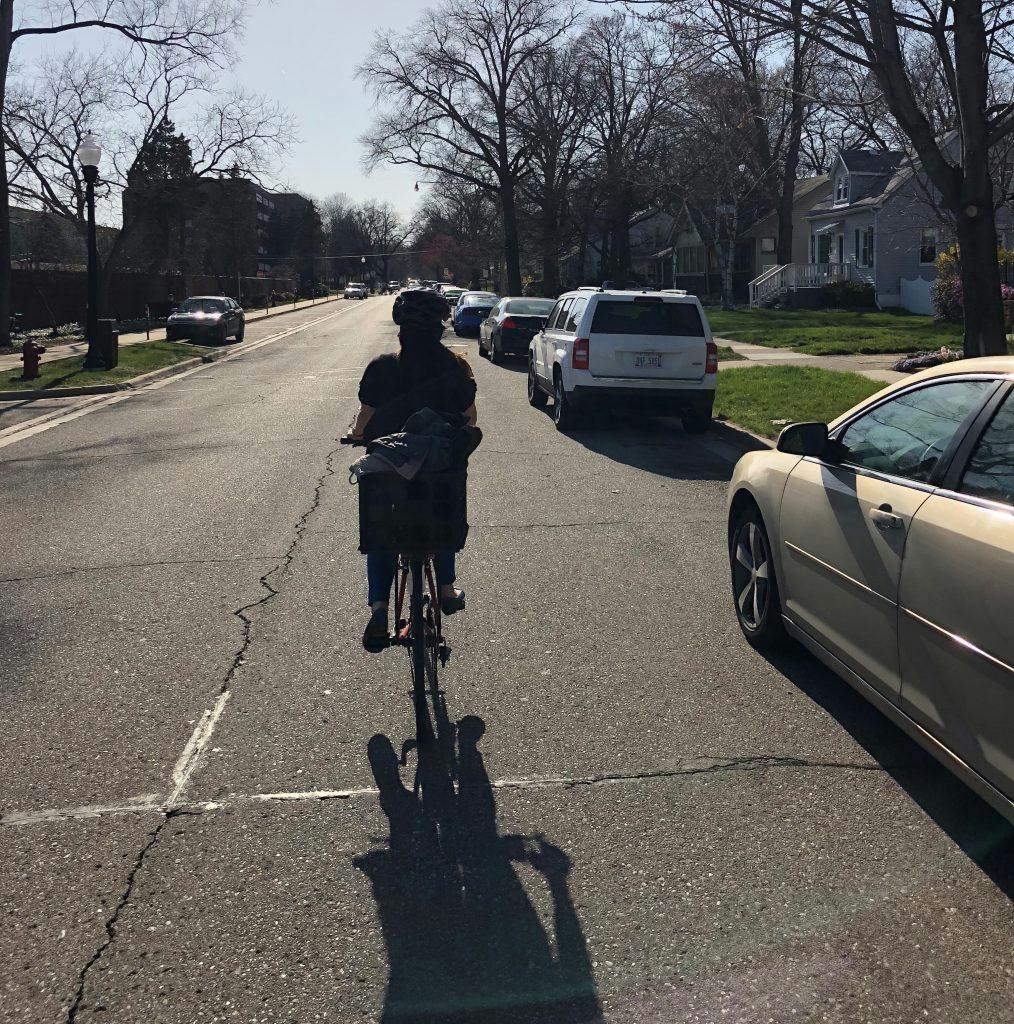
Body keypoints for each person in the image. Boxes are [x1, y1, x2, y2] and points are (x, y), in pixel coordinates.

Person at [349, 288, 478, 652]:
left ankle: (378, 607)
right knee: (444, 511)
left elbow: (366, 417)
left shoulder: (382, 367)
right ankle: (448, 590)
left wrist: (357, 435)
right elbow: (469, 419)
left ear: (401, 327)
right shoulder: (457, 367)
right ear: (439, 328)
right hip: (437, 467)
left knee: (381, 528)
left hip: (389, 470)